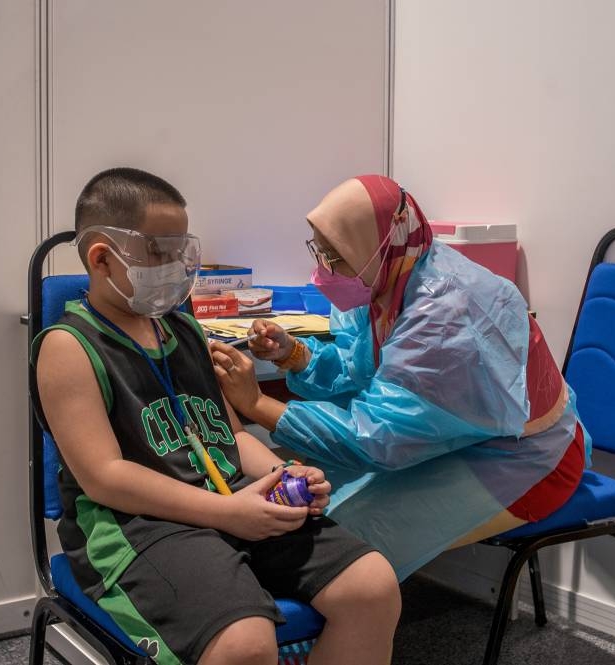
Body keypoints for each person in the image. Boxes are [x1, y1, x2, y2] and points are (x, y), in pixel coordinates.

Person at [31, 168, 400, 665]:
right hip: (139, 527)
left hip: (230, 501)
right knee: (243, 643)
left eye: (182, 251)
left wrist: (282, 474)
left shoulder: (183, 330)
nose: (177, 268)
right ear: (102, 258)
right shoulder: (68, 348)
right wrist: (228, 513)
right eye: (160, 253)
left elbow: (230, 436)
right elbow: (105, 478)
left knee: (373, 587)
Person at [210, 174, 589, 580]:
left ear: (376, 245)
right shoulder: (391, 274)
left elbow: (376, 439)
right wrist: (295, 354)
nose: (324, 270)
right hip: (447, 440)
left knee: (338, 546)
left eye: (335, 256)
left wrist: (257, 404)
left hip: (526, 459)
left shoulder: (446, 311)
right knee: (303, 506)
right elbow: (361, 367)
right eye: (320, 252)